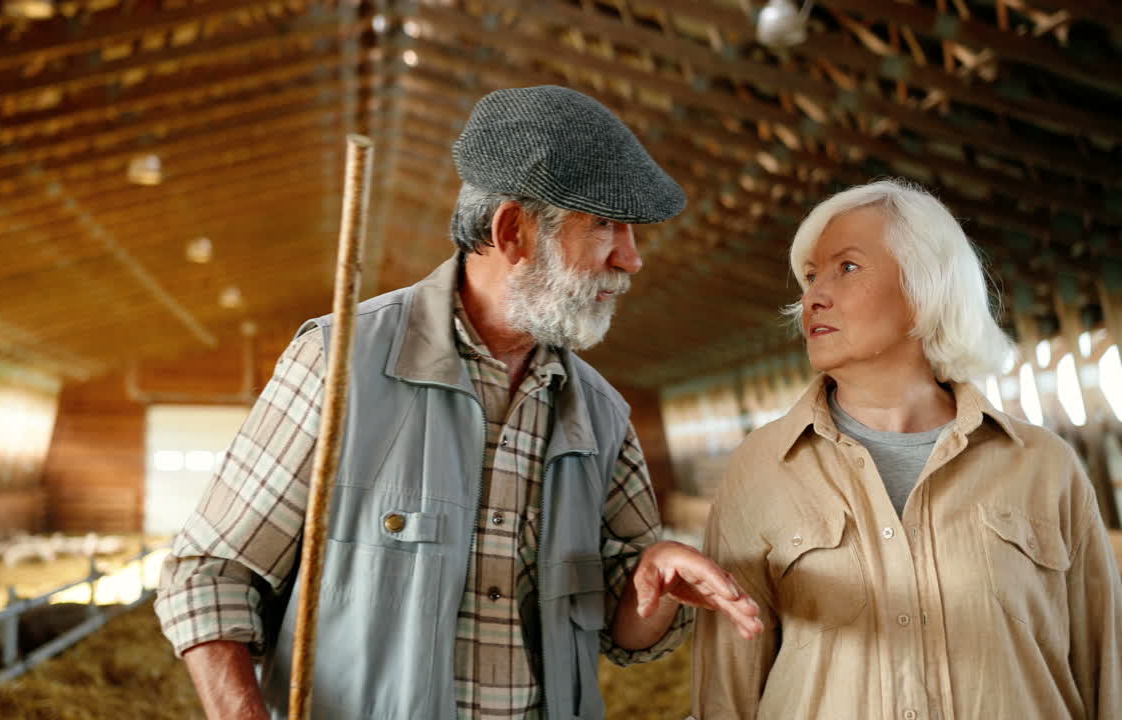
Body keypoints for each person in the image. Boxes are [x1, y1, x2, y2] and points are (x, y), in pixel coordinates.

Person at [155, 85, 762, 720]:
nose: (632, 259)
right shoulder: (346, 365)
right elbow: (210, 575)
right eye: (604, 225)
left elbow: (624, 631)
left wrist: (652, 580)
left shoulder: (601, 416)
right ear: (513, 232)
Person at [689, 179, 1122, 719]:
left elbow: (1106, 667)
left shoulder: (1042, 464)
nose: (813, 296)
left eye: (847, 268)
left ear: (925, 288)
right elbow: (726, 686)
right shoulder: (762, 467)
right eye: (810, 275)